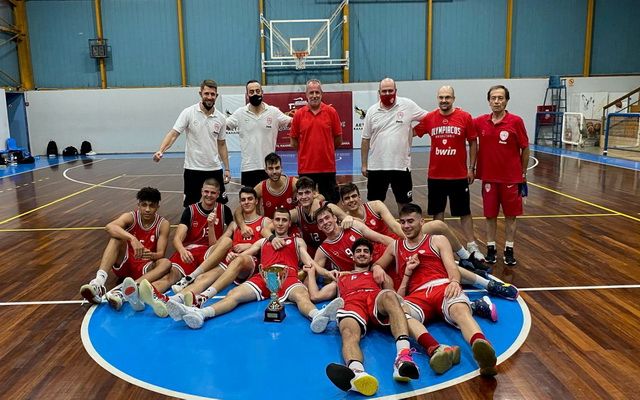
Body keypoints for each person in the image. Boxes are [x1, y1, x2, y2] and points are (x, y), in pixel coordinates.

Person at [309, 238, 461, 396]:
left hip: (375, 299)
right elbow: (315, 296)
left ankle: (403, 357)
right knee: (347, 331)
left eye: (366, 251)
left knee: (389, 296)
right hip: (352, 302)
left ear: (371, 257)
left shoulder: (379, 275)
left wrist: (400, 276)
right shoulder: (341, 277)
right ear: (352, 257)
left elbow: (397, 297)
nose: (362, 254)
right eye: (358, 251)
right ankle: (357, 374)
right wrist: (311, 273)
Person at [166, 207, 344, 331]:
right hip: (263, 277)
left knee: (301, 296)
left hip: (288, 276)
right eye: (277, 220)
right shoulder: (263, 241)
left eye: (284, 220)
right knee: (233, 295)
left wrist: (327, 273)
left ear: (289, 223)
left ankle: (317, 316)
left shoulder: (297, 241)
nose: (280, 223)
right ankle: (201, 314)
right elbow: (246, 253)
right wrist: (232, 256)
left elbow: (311, 262)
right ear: (273, 222)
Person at [372, 204, 498, 377]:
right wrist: (377, 268)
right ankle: (435, 348)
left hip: (441, 286)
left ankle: (481, 345)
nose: (406, 226)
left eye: (410, 221)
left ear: (421, 222)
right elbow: (378, 264)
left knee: (460, 309)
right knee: (400, 315)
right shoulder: (395, 246)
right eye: (403, 222)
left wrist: (455, 281)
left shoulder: (437, 240)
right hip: (416, 295)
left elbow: (451, 266)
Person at [134, 179, 233, 317]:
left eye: (212, 193)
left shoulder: (224, 210)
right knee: (170, 277)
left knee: (226, 242)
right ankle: (146, 295)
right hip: (189, 251)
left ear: (218, 194)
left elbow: (218, 242)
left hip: (209, 252)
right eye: (206, 191)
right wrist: (182, 251)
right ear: (201, 192)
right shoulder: (190, 210)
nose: (209, 195)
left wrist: (211, 226)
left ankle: (190, 279)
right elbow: (177, 239)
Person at [413, 86, 484, 260]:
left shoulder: (465, 117)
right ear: (437, 98)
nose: (444, 100)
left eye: (447, 97)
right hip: (436, 175)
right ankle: (438, 246)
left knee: (464, 211)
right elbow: (411, 132)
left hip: (458, 175)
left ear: (453, 98)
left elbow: (473, 142)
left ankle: (472, 245)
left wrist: (471, 168)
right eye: (441, 97)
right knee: (437, 213)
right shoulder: (430, 118)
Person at [169, 187, 271, 307]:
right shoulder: (234, 225)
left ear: (256, 201)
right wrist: (211, 225)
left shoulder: (265, 221)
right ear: (240, 202)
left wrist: (251, 246)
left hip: (249, 262)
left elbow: (269, 245)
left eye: (250, 199)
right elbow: (215, 246)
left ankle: (203, 297)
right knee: (203, 277)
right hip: (230, 260)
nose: (247, 202)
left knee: (239, 259)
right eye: (243, 200)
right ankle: (173, 301)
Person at [80, 187, 171, 311]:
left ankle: (127, 290)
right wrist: (132, 239)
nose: (147, 209)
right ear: (138, 205)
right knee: (115, 238)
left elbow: (160, 253)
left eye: (151, 206)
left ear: (157, 207)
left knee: (166, 263)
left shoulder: (163, 224)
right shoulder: (131, 217)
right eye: (144, 205)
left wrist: (150, 255)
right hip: (125, 263)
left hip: (145, 267)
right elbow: (109, 227)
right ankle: (99, 283)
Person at [474, 85, 530, 265]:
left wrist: (522, 172)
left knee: (510, 216)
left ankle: (509, 249)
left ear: (506, 100)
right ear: (488, 101)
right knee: (490, 216)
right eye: (493, 98)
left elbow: (525, 148)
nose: (497, 101)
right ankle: (491, 248)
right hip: (489, 178)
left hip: (511, 179)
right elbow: (463, 126)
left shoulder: (516, 122)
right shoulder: (480, 122)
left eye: (500, 98)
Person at [153, 79, 230, 206]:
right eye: (206, 93)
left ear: (216, 96)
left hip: (214, 169)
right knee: (190, 206)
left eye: (212, 94)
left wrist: (227, 169)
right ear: (200, 94)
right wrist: (161, 150)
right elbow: (173, 134)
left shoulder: (221, 118)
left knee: (220, 206)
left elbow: (221, 144)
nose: (209, 97)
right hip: (193, 169)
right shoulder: (188, 112)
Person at [361, 77, 427, 213]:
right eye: (384, 91)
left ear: (396, 90)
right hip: (377, 166)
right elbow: (365, 139)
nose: (387, 94)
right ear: (379, 92)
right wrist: (364, 164)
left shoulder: (408, 105)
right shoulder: (372, 111)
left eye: (390, 90)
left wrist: (414, 132)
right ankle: (376, 228)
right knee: (374, 206)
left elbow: (431, 118)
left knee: (404, 205)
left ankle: (405, 227)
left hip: (401, 166)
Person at [225, 81, 292, 188]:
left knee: (269, 198)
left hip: (270, 167)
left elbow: (293, 122)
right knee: (250, 198)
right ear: (247, 95)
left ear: (262, 92)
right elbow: (223, 125)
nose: (255, 94)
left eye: (257, 91)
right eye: (251, 92)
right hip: (248, 167)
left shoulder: (273, 112)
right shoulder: (240, 113)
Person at [290, 79, 342, 203]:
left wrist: (326, 149)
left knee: (330, 202)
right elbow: (293, 141)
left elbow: (338, 139)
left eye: (317, 92)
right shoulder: (299, 115)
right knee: (306, 202)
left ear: (322, 94)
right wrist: (306, 151)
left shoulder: (331, 112)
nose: (314, 95)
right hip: (306, 168)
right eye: (311, 92)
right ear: (306, 95)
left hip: (327, 168)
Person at [233, 152, 298, 239]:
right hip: (269, 230)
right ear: (266, 170)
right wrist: (243, 226)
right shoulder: (261, 187)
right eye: (270, 168)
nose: (274, 172)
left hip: (291, 228)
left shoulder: (293, 183)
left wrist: (315, 202)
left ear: (281, 168)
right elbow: (238, 211)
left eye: (277, 168)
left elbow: (314, 194)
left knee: (295, 212)